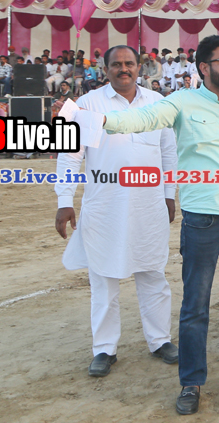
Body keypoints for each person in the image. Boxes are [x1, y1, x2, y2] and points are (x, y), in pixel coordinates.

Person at [96, 35, 219, 416]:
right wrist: (102, 120)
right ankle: (192, 382)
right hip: (203, 221)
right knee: (195, 306)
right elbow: (143, 119)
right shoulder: (182, 101)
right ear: (204, 67)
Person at [53, 46, 179, 379]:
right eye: (116, 64)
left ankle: (160, 341)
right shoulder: (88, 104)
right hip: (105, 206)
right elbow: (69, 155)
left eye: (129, 64)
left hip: (148, 204)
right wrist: (64, 200)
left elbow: (169, 153)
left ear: (140, 67)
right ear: (105, 69)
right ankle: (104, 349)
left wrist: (169, 194)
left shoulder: (158, 103)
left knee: (153, 274)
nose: (124, 69)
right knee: (103, 280)